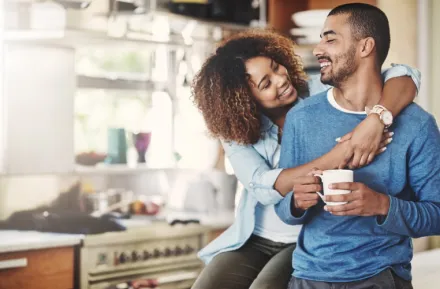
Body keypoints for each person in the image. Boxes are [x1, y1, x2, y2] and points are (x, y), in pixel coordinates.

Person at [190, 28, 421, 289]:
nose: (280, 80)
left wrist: (376, 119)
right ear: (242, 101)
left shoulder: (321, 88)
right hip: (256, 237)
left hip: (306, 235)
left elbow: (404, 75)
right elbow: (264, 186)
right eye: (266, 83)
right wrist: (343, 152)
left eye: (277, 68)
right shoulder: (235, 130)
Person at [276, 3, 440, 289]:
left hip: (381, 277)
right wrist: (296, 202)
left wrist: (380, 204)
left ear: (365, 46)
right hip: (308, 278)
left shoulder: (417, 125)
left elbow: (437, 214)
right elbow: (283, 205)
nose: (317, 50)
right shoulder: (301, 118)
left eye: (330, 39)